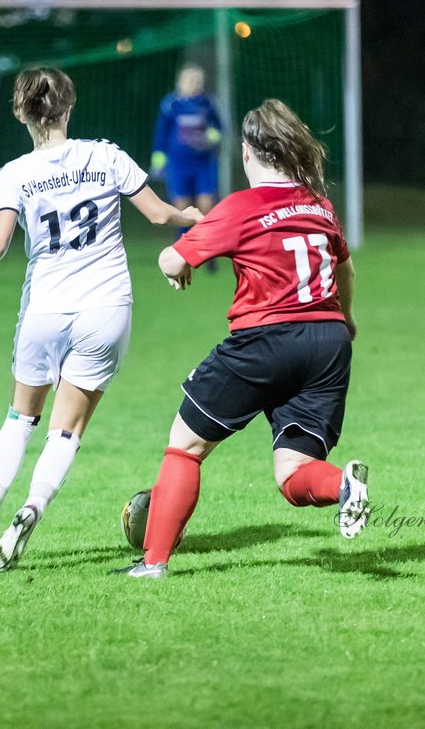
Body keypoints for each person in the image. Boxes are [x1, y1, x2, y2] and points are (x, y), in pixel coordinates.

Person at [0, 67, 201, 572]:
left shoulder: (15, 172)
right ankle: (31, 510)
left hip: (45, 309)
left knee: (20, 419)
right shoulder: (105, 155)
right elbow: (155, 215)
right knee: (67, 431)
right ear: (68, 107)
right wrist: (189, 217)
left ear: (22, 112)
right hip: (105, 309)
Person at [117, 99, 369, 580]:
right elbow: (344, 266)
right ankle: (342, 488)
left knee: (185, 446)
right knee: (294, 472)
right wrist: (347, 319)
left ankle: (152, 564)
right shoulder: (318, 206)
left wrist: (181, 266)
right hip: (329, 342)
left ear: (248, 153)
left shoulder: (242, 207)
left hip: (266, 341)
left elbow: (170, 260)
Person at [150, 64, 224, 228]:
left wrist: (210, 137)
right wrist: (158, 160)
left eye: (199, 80)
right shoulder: (170, 104)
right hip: (178, 164)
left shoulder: (207, 102)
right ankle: (183, 246)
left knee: (206, 206)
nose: (195, 83)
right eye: (191, 79)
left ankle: (208, 250)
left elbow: (218, 127)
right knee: (181, 210)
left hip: (203, 163)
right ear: (180, 81)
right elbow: (161, 134)